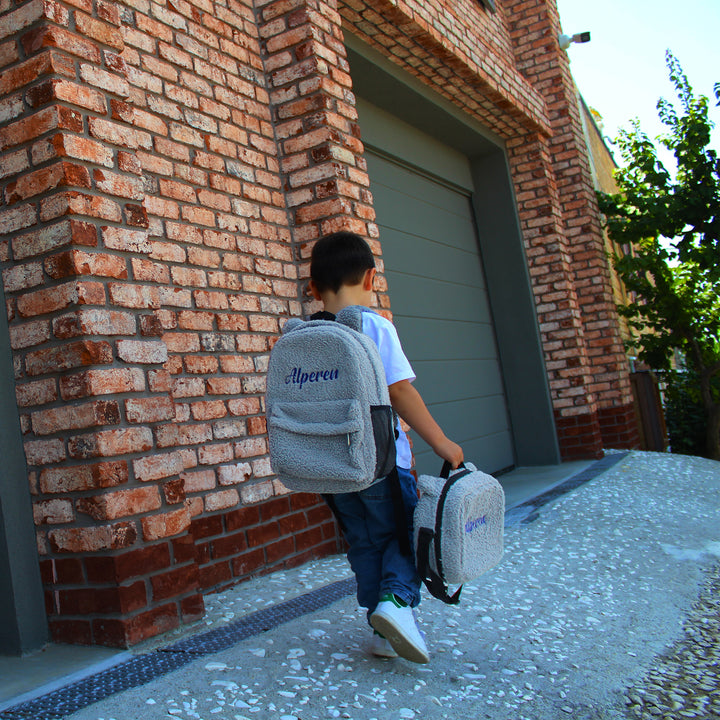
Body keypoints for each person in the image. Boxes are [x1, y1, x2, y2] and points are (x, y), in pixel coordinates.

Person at [308, 230, 464, 664]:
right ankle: (396, 604)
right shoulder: (373, 326)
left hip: (334, 467)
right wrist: (442, 442)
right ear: (372, 279)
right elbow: (400, 393)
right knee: (403, 532)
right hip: (381, 462)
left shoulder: (310, 335)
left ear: (313, 289)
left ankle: (381, 629)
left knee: (364, 541)